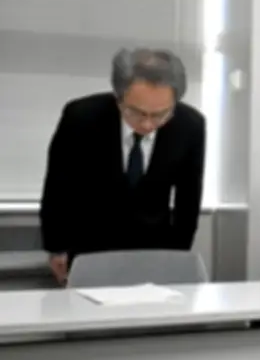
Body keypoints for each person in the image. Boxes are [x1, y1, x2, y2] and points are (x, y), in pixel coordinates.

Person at [40, 48, 206, 285]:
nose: (147, 124)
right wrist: (57, 247)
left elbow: (189, 197)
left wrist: (177, 256)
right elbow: (58, 186)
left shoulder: (190, 125)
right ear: (119, 98)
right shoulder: (81, 117)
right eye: (136, 113)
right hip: (90, 246)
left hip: (154, 248)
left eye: (160, 115)